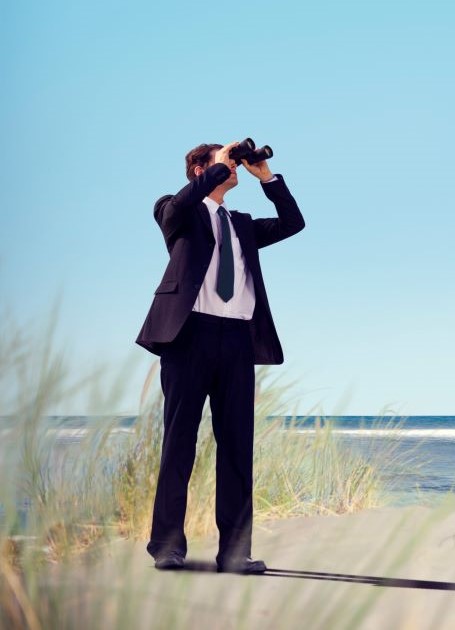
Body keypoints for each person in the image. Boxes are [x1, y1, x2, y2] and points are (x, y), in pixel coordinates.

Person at [135, 140, 306, 573]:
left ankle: (235, 551)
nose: (232, 167)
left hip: (236, 342)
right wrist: (220, 163)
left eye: (233, 161)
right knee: (179, 445)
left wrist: (265, 176)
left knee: (236, 449)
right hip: (189, 336)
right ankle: (167, 545)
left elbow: (294, 222)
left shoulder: (242, 224)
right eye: (224, 162)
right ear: (199, 170)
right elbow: (181, 202)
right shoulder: (175, 211)